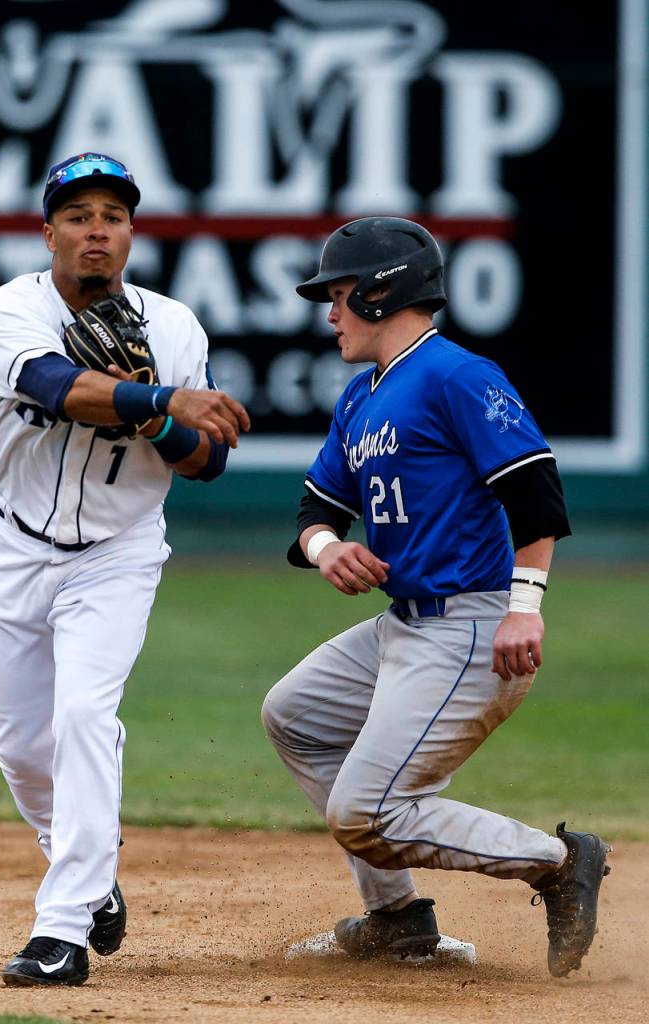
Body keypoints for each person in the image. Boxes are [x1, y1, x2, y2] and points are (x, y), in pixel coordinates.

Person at [261, 217, 610, 978]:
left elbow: (535, 494)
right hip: (402, 627)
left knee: (367, 810)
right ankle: (398, 920)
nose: (329, 312)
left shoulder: (458, 375)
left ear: (384, 293)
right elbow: (313, 513)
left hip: (471, 624)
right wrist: (328, 548)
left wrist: (526, 604)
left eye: (341, 294)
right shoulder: (362, 397)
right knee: (295, 715)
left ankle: (556, 861)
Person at [0, 152, 250, 987]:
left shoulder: (173, 326)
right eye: (80, 215)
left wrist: (166, 420)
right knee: (22, 745)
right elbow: (51, 385)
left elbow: (205, 463)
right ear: (47, 229)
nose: (97, 230)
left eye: (114, 216)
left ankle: (60, 932)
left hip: (118, 554)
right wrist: (157, 400)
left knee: (84, 718)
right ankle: (87, 872)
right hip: (14, 545)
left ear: (131, 232)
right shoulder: (5, 309)